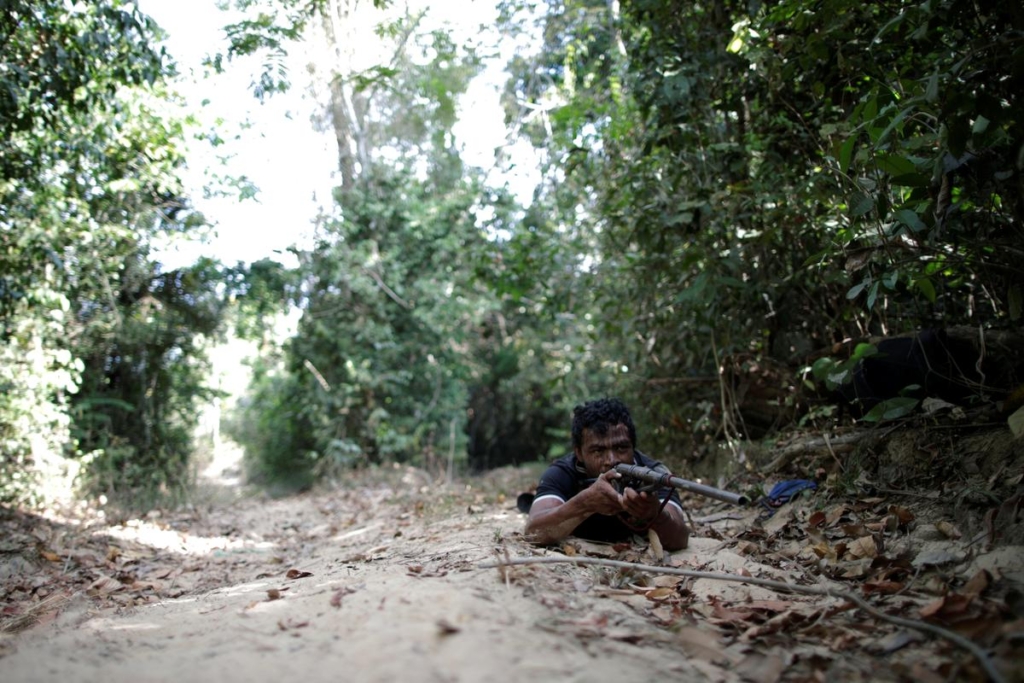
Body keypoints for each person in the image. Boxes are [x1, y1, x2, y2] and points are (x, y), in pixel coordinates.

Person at [524, 398, 689, 550]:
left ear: (633, 446)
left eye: (621, 448)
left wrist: (655, 514)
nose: (612, 460)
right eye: (598, 450)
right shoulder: (562, 473)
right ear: (579, 453)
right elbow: (534, 533)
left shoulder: (655, 474)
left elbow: (679, 540)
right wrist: (585, 503)